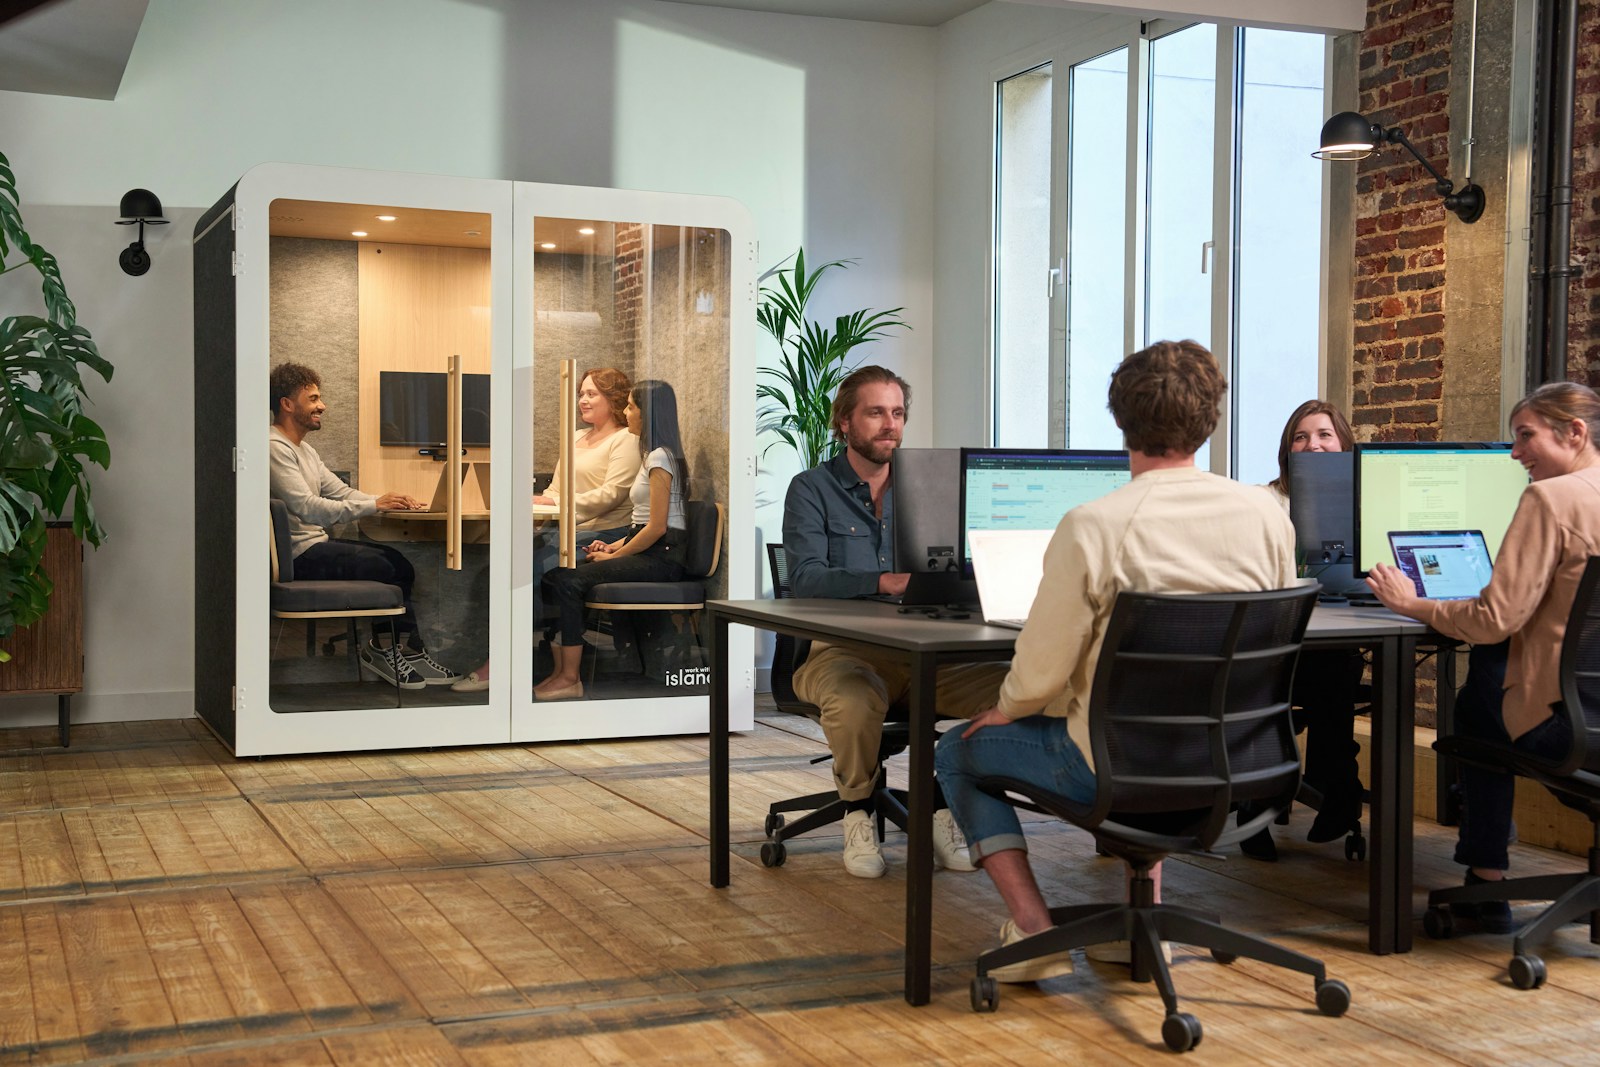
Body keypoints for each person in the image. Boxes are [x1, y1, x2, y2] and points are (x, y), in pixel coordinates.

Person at [934, 340, 1295, 982]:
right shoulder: (1267, 515)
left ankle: (1037, 933)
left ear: (1120, 418)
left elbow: (1041, 672)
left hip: (1112, 768)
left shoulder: (1094, 525)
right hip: (1237, 761)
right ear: (1210, 417)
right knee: (1152, 718)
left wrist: (1005, 709)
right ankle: (1140, 923)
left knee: (956, 750)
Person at [1366, 381, 1600, 933]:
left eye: (1525, 436)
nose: (1514, 452)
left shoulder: (1551, 499)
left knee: (1478, 704)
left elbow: (1494, 619)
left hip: (1568, 729)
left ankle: (1487, 883)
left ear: (1575, 432)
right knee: (1493, 677)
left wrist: (1413, 603)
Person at [782, 365, 1009, 879]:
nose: (890, 425)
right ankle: (858, 811)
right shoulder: (811, 488)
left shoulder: (930, 488)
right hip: (844, 654)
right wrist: (889, 581)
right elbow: (807, 578)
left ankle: (947, 805)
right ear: (844, 422)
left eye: (898, 413)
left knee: (1019, 685)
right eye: (876, 412)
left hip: (930, 653)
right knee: (855, 698)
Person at [268, 362, 460, 689]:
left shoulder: (307, 451)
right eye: (313, 399)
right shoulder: (274, 448)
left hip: (314, 548)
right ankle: (384, 650)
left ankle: (406, 650)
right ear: (287, 404)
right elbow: (307, 508)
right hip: (299, 556)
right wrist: (373, 505)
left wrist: (385, 499)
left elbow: (340, 492)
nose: (322, 406)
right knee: (386, 565)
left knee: (399, 563)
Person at [452, 368, 641, 693]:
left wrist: (555, 506)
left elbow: (612, 495)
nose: (583, 399)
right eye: (581, 393)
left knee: (529, 572)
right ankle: (502, 656)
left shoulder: (626, 439)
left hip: (605, 534)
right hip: (565, 530)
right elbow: (556, 489)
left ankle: (506, 662)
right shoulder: (576, 438)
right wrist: (540, 501)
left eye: (591, 393)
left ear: (613, 398)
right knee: (497, 572)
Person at [1239, 400, 1366, 860]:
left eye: (1324, 435)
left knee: (1337, 665)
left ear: (1344, 445)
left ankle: (1330, 790)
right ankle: (1285, 796)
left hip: (1335, 632)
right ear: (1287, 451)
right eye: (1301, 436)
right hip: (1270, 640)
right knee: (1324, 672)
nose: (1313, 443)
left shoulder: (1365, 502)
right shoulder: (1264, 501)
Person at [535, 379, 689, 701]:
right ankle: (561, 670)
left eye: (631, 406)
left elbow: (658, 528)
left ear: (648, 414)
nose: (626, 411)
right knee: (556, 576)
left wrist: (615, 557)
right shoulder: (653, 456)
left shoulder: (661, 458)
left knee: (568, 582)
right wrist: (612, 546)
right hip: (648, 548)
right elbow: (642, 524)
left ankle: (570, 678)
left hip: (663, 558)